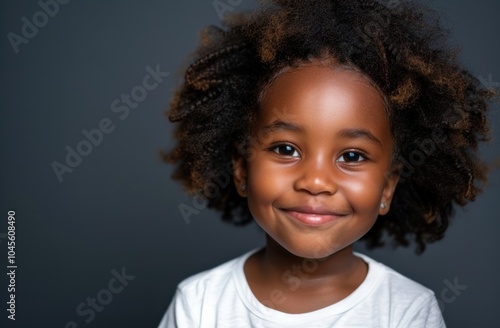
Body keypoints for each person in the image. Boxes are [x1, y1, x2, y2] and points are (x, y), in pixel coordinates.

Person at [158, 0, 494, 327]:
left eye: (352, 156)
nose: (316, 181)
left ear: (387, 187)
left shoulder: (407, 312)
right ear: (242, 169)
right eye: (286, 149)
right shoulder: (200, 304)